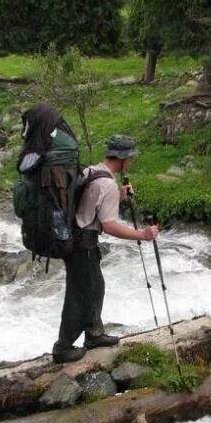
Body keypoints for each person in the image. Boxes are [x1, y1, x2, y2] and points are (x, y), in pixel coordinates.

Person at [52, 135, 159, 363]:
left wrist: (119, 196)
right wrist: (142, 234)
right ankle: (63, 348)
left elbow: (92, 206)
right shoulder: (107, 183)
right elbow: (109, 225)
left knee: (95, 287)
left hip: (75, 240)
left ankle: (94, 334)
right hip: (83, 245)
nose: (132, 161)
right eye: (131, 157)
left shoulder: (93, 171)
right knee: (80, 296)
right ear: (123, 159)